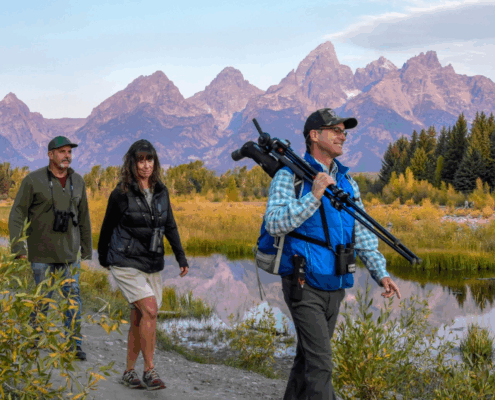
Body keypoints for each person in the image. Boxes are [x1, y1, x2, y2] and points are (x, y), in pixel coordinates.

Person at [264, 108, 401, 400]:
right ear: (314, 136)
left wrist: (381, 272)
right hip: (303, 284)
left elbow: (362, 231)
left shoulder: (347, 183)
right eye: (335, 130)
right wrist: (313, 196)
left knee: (308, 359)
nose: (343, 136)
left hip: (335, 284)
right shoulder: (289, 177)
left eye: (344, 131)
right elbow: (274, 222)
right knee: (321, 365)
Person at [98, 139, 189, 391]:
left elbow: (169, 225)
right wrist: (103, 257)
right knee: (150, 309)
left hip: (152, 262)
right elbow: (107, 227)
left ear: (155, 162)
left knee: (140, 316)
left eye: (150, 160)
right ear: (132, 162)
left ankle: (129, 372)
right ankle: (150, 371)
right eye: (141, 160)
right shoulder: (121, 194)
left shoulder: (161, 191)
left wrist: (181, 256)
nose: (146, 165)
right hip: (125, 260)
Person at [9, 136, 92, 361]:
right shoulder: (33, 180)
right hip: (40, 253)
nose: (67, 156)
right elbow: (17, 213)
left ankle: (74, 344)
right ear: (50, 155)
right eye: (62, 151)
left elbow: (84, 216)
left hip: (69, 254)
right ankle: (34, 340)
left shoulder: (79, 181)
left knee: (73, 299)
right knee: (41, 300)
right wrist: (18, 245)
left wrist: (87, 248)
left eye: (69, 152)